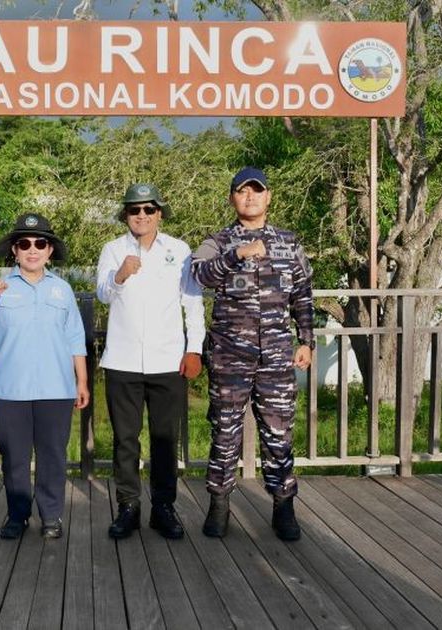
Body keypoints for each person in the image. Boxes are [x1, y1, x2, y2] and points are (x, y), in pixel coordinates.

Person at [191, 167, 314, 541]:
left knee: (279, 434)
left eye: (257, 191)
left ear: (268, 197)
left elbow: (303, 294)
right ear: (232, 197)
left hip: (276, 358)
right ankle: (219, 504)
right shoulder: (217, 241)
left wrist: (306, 340)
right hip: (230, 357)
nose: (250, 197)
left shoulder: (289, 243)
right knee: (225, 432)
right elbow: (199, 275)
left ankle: (283, 506)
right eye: (243, 191)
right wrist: (236, 255)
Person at [0, 213, 89, 539]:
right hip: (10, 389)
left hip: (56, 388)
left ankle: (51, 516)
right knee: (14, 459)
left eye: (40, 243)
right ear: (15, 250)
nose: (32, 249)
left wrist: (81, 381)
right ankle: (17, 515)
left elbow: (75, 337)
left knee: (53, 456)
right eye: (24, 243)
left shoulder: (63, 289)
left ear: (50, 250)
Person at [96, 183, 205, 540]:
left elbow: (192, 302)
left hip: (168, 360)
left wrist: (194, 349)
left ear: (159, 213)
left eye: (148, 209)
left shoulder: (179, 249)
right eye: (134, 210)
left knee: (164, 439)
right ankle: (128, 507)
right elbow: (102, 294)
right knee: (125, 440)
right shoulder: (112, 250)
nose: (141, 215)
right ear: (125, 215)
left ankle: (163, 507)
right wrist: (120, 275)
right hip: (122, 359)